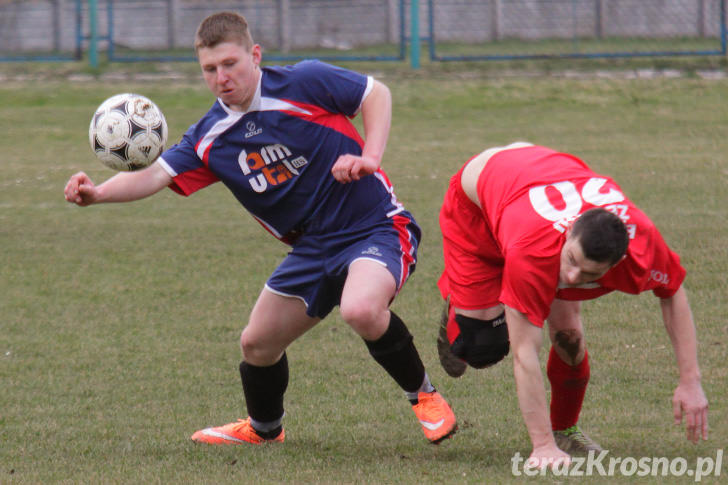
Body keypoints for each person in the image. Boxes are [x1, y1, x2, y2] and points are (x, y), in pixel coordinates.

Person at [64, 11, 457, 446]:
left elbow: (374, 93)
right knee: (257, 344)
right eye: (210, 70)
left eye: (230, 64)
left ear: (255, 55)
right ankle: (264, 429)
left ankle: (423, 396)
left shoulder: (303, 82)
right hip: (312, 249)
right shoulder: (209, 137)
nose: (221, 78)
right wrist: (97, 194)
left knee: (361, 309)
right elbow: (155, 174)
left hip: (373, 227)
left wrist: (372, 156)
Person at [436, 142, 708, 467]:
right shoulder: (531, 250)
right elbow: (525, 353)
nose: (572, 274)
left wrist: (690, 381)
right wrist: (541, 448)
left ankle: (564, 429)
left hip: (533, 187)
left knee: (569, 337)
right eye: (572, 260)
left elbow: (672, 291)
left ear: (619, 262)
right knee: (482, 348)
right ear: (568, 233)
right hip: (479, 199)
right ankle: (460, 302)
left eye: (589, 273)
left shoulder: (643, 245)